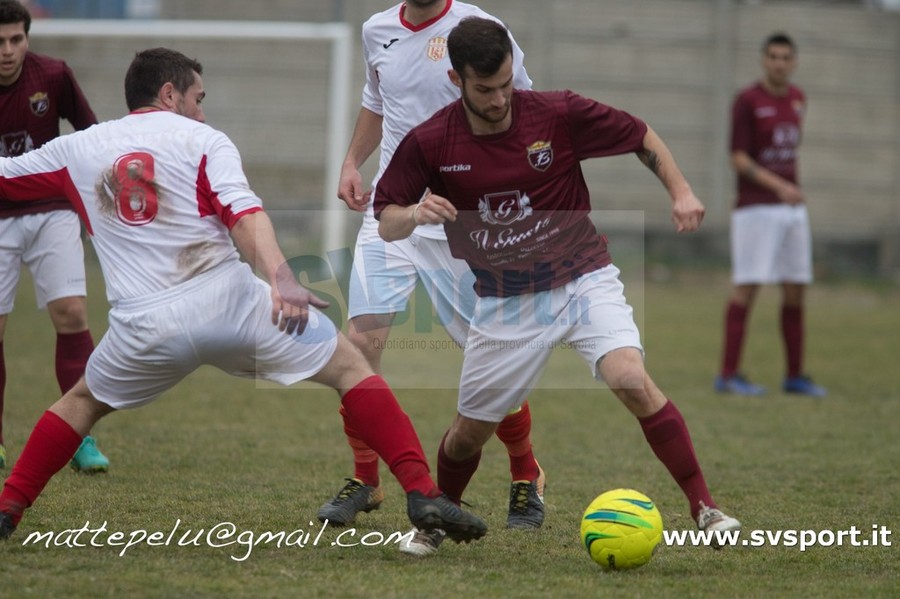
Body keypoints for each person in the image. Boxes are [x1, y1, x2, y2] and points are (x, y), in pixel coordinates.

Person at [0, 47, 488, 544]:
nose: (201, 111)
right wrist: (282, 276)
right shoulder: (204, 140)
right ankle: (423, 492)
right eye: (198, 98)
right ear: (169, 94)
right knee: (351, 369)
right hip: (229, 304)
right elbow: (243, 214)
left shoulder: (76, 148)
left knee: (80, 403)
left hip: (143, 326)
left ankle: (7, 509)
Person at [374, 17, 742, 538]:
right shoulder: (431, 142)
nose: (500, 99)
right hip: (506, 299)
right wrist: (414, 214)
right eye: (485, 89)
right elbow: (385, 218)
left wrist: (680, 191)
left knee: (630, 377)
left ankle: (705, 508)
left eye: (506, 84)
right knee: (468, 434)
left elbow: (639, 134)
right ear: (456, 80)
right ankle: (439, 518)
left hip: (582, 276)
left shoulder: (555, 113)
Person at [326, 0, 543, 554]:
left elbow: (519, 108)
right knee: (359, 346)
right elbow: (377, 102)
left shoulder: (479, 30)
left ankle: (526, 473)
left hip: (463, 220)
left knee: (492, 358)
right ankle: (366, 479)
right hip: (395, 212)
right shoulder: (376, 29)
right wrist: (352, 161)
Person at [0, 0, 109, 472]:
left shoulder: (53, 74)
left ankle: (79, 438)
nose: (8, 51)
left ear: (28, 37)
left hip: (51, 209)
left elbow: (92, 134)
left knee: (72, 313)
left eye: (16, 39)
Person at [714, 32, 826, 398]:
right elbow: (738, 158)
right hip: (756, 208)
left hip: (791, 209)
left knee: (796, 288)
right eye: (773, 56)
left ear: (794, 62)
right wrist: (779, 186)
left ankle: (794, 376)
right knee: (747, 287)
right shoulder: (747, 100)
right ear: (764, 60)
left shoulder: (798, 99)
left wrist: (788, 191)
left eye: (786, 57)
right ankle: (728, 375)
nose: (779, 63)